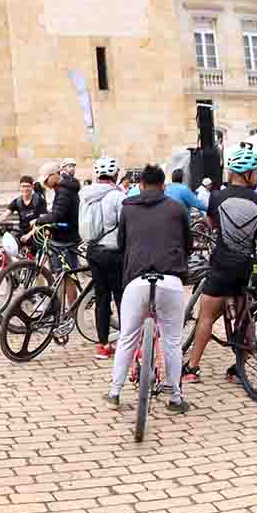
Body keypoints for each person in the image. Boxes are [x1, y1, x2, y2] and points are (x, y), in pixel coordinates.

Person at [183, 145, 257, 384]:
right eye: (255, 172)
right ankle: (239, 368)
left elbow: (211, 224)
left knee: (206, 317)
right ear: (246, 174)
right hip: (250, 266)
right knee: (248, 312)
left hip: (223, 265)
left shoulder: (216, 197)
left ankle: (192, 368)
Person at [103, 164, 192, 414]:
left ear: (140, 185)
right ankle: (175, 397)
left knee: (127, 337)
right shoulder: (177, 208)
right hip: (170, 280)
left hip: (137, 280)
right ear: (164, 185)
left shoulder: (128, 209)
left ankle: (115, 392)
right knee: (173, 341)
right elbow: (189, 243)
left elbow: (121, 244)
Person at [79, 157, 126, 358]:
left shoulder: (86, 195)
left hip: (93, 251)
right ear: (115, 175)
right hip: (114, 252)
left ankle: (102, 345)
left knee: (102, 298)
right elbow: (124, 225)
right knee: (121, 298)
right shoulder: (117, 196)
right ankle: (127, 343)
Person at [35, 160, 83, 318]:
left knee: (66, 276)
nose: (45, 184)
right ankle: (62, 311)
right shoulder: (63, 188)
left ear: (55, 176)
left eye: (46, 179)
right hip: (64, 234)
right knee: (63, 276)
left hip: (66, 238)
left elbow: (58, 215)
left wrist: (39, 220)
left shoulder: (64, 190)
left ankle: (71, 313)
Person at [0, 175, 45, 258]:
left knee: (33, 261)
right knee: (10, 249)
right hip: (23, 232)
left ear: (32, 187)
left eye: (28, 186)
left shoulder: (39, 200)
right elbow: (5, 215)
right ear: (20, 187)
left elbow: (42, 220)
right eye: (23, 186)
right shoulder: (17, 201)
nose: (25, 189)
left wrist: (29, 235)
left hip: (36, 233)